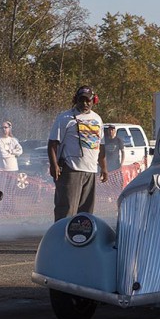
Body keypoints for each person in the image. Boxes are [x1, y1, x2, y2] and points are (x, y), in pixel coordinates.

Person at [48, 85, 108, 222]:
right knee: (67, 211)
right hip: (71, 169)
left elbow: (101, 145)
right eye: (81, 100)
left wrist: (104, 167)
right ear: (76, 100)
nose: (85, 104)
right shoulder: (64, 118)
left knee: (86, 214)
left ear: (94, 101)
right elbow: (52, 144)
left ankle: (81, 242)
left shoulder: (98, 119)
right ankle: (61, 239)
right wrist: (54, 165)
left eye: (88, 101)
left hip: (91, 170)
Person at [104, 124, 126, 192]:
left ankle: (117, 192)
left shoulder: (118, 140)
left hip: (116, 164)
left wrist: (121, 163)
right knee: (107, 182)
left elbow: (123, 152)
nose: (111, 131)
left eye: (112, 130)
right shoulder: (105, 140)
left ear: (115, 131)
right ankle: (108, 195)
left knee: (117, 181)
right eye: (109, 130)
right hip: (107, 165)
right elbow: (101, 151)